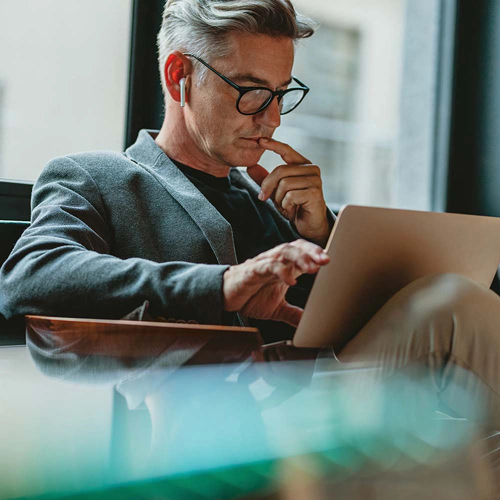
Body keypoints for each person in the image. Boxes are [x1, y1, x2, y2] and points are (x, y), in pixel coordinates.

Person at [1, 0, 500, 423]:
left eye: (281, 93)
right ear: (180, 76)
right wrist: (220, 285)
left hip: (334, 402)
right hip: (222, 419)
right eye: (252, 90)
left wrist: (325, 231)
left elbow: (366, 328)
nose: (273, 116)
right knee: (453, 304)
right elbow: (29, 276)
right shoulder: (96, 178)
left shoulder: (283, 203)